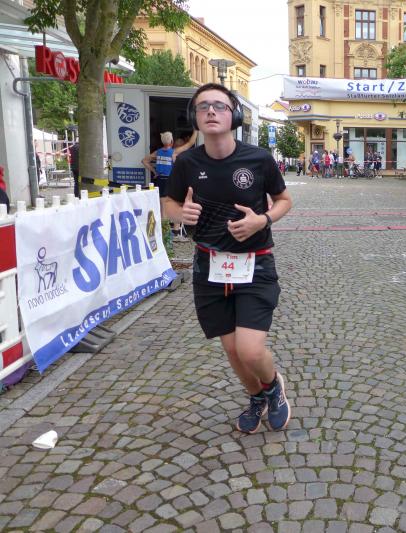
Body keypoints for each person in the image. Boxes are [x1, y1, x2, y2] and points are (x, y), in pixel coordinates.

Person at [164, 83, 292, 434]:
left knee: (250, 350)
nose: (210, 111)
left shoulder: (258, 159)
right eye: (203, 106)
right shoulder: (186, 163)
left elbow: (284, 201)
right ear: (194, 116)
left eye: (219, 105)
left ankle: (273, 387)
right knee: (233, 350)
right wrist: (180, 214)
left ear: (233, 115)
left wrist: (262, 220)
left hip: (255, 263)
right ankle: (257, 397)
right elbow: (168, 203)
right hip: (210, 266)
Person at [143, 130, 197, 241]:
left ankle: (165, 234)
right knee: (177, 205)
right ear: (171, 141)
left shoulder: (157, 152)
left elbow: (144, 161)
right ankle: (176, 233)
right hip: (171, 181)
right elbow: (190, 143)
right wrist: (196, 130)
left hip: (160, 181)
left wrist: (154, 171)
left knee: (163, 209)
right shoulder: (174, 152)